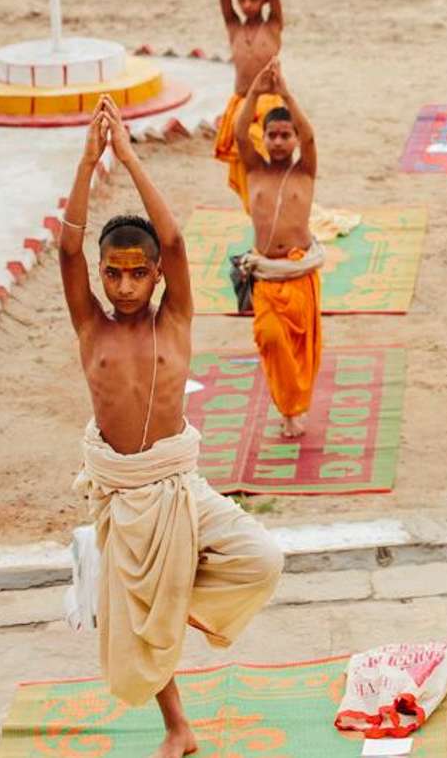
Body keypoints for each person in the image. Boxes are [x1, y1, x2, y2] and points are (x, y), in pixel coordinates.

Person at [59, 97, 283, 758]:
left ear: (157, 275)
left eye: (138, 273)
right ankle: (178, 728)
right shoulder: (91, 326)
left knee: (263, 560)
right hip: (124, 495)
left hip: (179, 488)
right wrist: (87, 162)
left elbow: (178, 240)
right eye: (114, 273)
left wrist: (129, 158)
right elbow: (67, 248)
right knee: (138, 639)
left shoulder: (175, 318)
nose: (125, 286)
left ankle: (179, 599)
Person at [233, 60, 322, 439]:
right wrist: (255, 92)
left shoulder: (304, 171)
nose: (279, 141)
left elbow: (311, 136)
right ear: (264, 138)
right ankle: (287, 408)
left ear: (295, 140)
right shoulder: (254, 170)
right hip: (267, 274)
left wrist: (285, 93)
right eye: (273, 135)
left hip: (299, 271)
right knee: (270, 338)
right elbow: (239, 133)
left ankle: (293, 407)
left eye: (286, 135)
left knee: (299, 348)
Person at [213, 0, 284, 209]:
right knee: (244, 165)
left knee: (269, 156)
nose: (246, 4)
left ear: (264, 0)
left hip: (270, 104)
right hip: (242, 103)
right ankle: (255, 210)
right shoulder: (234, 27)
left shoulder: (273, 25)